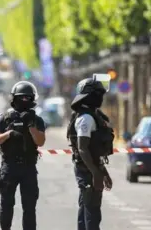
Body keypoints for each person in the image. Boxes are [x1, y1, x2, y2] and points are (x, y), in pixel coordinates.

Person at [0, 81, 46, 230]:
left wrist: (31, 127)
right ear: (15, 99)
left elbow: (41, 142)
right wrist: (8, 134)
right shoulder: (5, 118)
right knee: (6, 205)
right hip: (9, 166)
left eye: (28, 98)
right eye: (22, 98)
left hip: (29, 167)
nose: (25, 101)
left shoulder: (36, 119)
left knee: (29, 207)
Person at [67, 78, 115, 230]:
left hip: (91, 168)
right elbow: (83, 148)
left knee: (86, 210)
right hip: (87, 170)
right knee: (92, 214)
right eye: (97, 94)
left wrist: (103, 172)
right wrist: (95, 173)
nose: (100, 97)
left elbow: (94, 151)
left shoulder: (92, 115)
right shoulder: (86, 118)